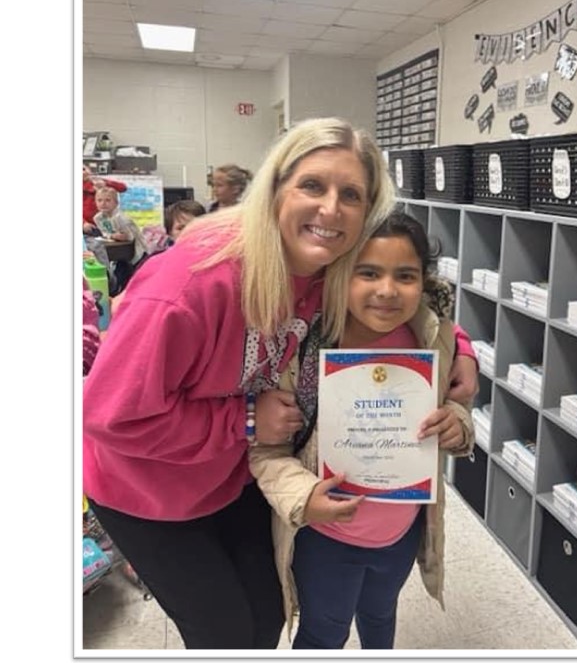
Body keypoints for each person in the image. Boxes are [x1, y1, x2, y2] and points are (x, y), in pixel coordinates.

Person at [82, 118, 478, 650]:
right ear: (275, 189)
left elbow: (418, 303)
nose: (331, 208)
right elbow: (108, 416)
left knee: (268, 618)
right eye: (312, 185)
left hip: (231, 471)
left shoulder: (325, 272)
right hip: (149, 490)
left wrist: (466, 355)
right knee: (225, 633)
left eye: (351, 194)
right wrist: (244, 417)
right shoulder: (188, 287)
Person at [249, 212, 474, 649]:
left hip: (401, 531)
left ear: (423, 281)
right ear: (337, 275)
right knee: (324, 633)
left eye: (405, 275)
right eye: (367, 272)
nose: (387, 291)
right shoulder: (308, 349)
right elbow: (266, 452)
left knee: (380, 615)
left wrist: (457, 425)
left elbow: (453, 405)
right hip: (326, 538)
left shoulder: (430, 335)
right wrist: (302, 498)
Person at [83, 165, 128, 236]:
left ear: (89, 170)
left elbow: (123, 187)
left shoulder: (98, 181)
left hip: (107, 223)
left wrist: (106, 183)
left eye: (83, 169)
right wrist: (83, 223)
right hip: (89, 227)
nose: (82, 173)